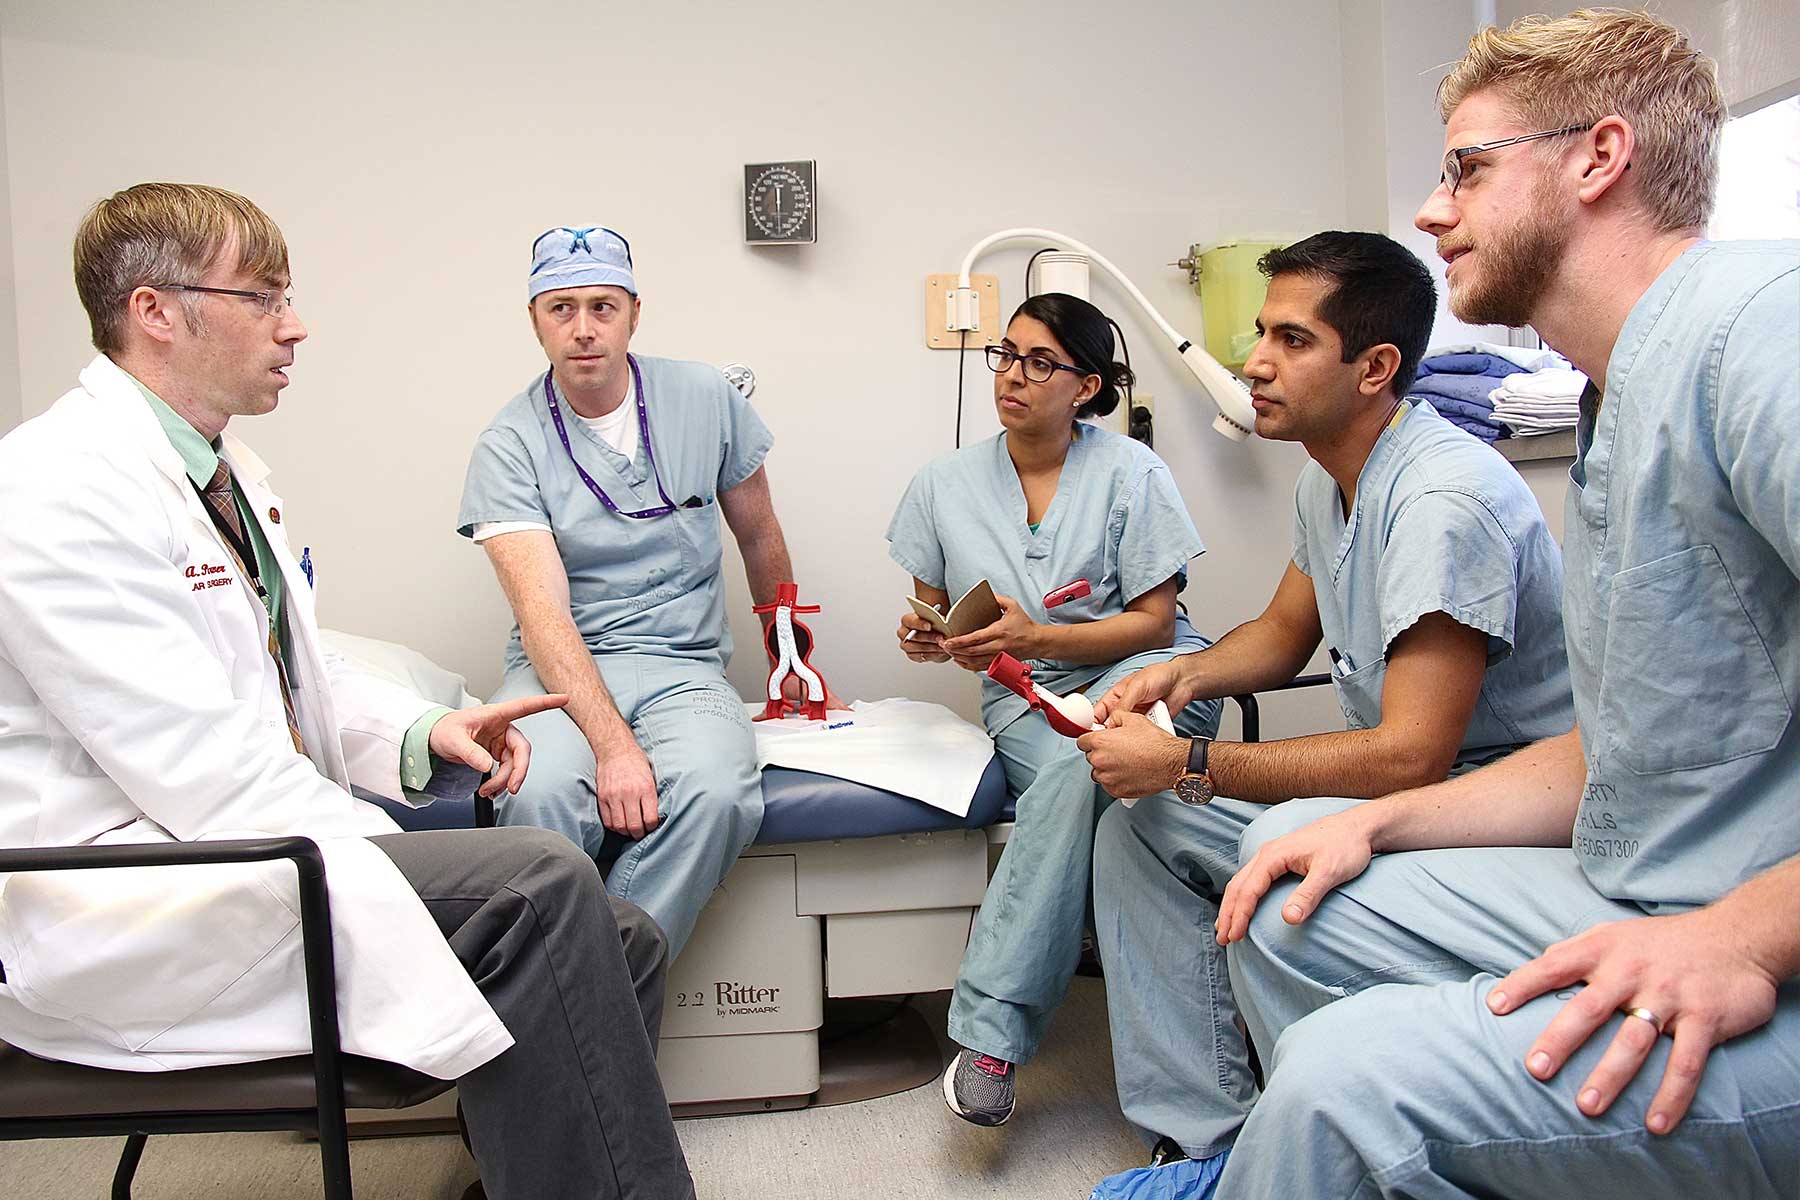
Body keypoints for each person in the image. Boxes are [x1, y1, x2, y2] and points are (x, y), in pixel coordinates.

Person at [1209, 10, 1800, 1198]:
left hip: (1747, 915)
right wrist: (1378, 823)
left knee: (1342, 1081)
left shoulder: (1757, 329)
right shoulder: (1613, 396)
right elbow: (1632, 748)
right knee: (1285, 889)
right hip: (1647, 871)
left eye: (1466, 169)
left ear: (1599, 157)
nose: (1431, 212)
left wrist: (1742, 935)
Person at [0, 184, 691, 1198]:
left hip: (236, 848)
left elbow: (289, 674)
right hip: (139, 894)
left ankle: (527, 1180)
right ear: (155, 312)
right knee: (538, 887)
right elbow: (205, 776)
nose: (295, 324)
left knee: (621, 928)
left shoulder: (225, 471)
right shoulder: (57, 490)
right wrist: (412, 858)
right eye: (264, 294)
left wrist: (422, 731)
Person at [1078, 231, 1574, 1198]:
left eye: (1292, 341)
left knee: (1272, 834)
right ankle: (1215, 1143)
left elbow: (1409, 758)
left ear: (1374, 368)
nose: (1253, 361)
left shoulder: (1440, 499)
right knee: (1139, 828)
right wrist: (1175, 680)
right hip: (1409, 774)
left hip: (1495, 803)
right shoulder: (1329, 474)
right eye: (1262, 332)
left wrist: (1188, 764)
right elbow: (1280, 633)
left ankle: (1323, 1142)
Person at [886, 292, 1222, 1127]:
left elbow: (1153, 620)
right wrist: (930, 638)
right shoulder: (944, 484)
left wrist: (1040, 632)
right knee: (1111, 806)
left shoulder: (1133, 473)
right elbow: (937, 608)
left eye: (1041, 362)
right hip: (1023, 697)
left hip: (1150, 674)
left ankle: (992, 1032)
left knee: (1089, 769)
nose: (1013, 376)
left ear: (1087, 386)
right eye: (1006, 355)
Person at [458, 224, 826, 958]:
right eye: (561, 308)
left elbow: (758, 534)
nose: (584, 329)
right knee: (539, 797)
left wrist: (795, 662)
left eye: (603, 306)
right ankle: (582, 1001)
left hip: (680, 666)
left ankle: (594, 990)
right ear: (534, 319)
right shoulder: (509, 443)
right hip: (556, 672)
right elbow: (542, 612)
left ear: (634, 311)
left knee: (718, 792)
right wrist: (614, 747)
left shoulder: (704, 398)